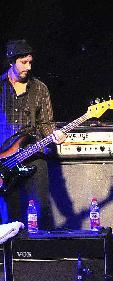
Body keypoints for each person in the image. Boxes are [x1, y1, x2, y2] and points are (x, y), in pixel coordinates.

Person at [0, 39, 66, 226]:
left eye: (30, 62)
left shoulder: (40, 88)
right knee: (9, 215)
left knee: (42, 209)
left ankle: (42, 253)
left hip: (33, 154)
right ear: (11, 62)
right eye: (23, 62)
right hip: (4, 160)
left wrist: (55, 135)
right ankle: (12, 255)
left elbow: (46, 122)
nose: (28, 67)